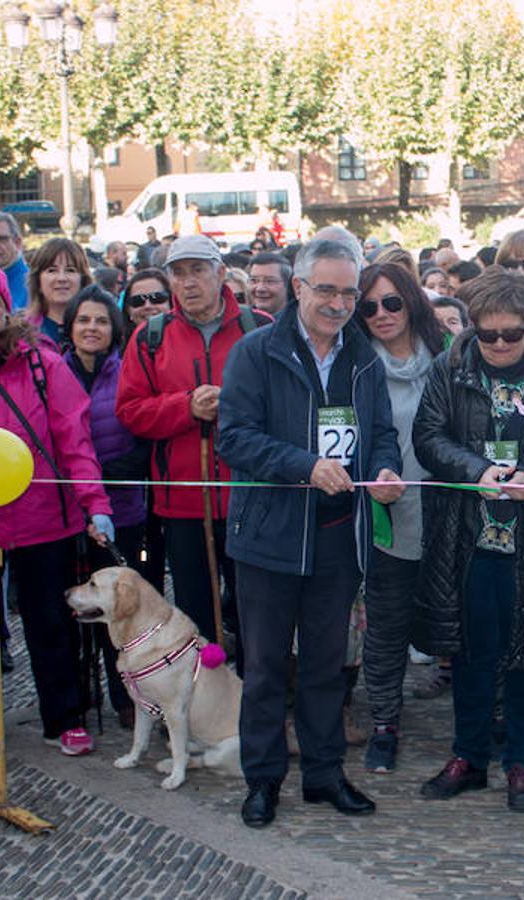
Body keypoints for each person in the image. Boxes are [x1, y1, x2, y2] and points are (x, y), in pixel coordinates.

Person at [217, 235, 403, 828]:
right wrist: (303, 465)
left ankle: (324, 775)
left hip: (338, 536)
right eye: (326, 290)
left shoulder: (365, 357)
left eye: (349, 292)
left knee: (327, 667)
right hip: (269, 538)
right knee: (268, 668)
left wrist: (383, 469)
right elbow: (234, 437)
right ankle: (264, 780)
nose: (339, 304)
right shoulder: (255, 352)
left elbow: (379, 433)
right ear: (298, 287)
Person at [412, 266, 524, 812]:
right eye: (489, 334)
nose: (501, 344)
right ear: (473, 329)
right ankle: (469, 756)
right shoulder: (450, 366)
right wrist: (473, 469)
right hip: (466, 535)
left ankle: (522, 762)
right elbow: (428, 436)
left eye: (513, 333)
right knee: (470, 653)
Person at [0, 262, 115, 771]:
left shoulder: (42, 363)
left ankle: (65, 716)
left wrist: (94, 503)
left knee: (50, 621)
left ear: (5, 305)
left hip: (42, 517)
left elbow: (74, 439)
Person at [116, 235, 266, 642]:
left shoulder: (260, 328)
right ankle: (203, 694)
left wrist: (231, 407)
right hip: (182, 503)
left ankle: (258, 695)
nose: (189, 282)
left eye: (198, 270)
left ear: (220, 274)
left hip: (252, 497)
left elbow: (285, 407)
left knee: (258, 609)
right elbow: (130, 411)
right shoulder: (150, 337)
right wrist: (186, 408)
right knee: (195, 614)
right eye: (179, 273)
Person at [352, 262, 445, 774]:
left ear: (411, 300)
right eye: (368, 306)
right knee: (386, 627)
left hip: (450, 506)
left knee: (459, 618)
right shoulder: (355, 365)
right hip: (387, 510)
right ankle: (385, 723)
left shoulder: (449, 356)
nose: (382, 314)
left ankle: (483, 721)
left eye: (391, 302)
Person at [62, 285, 147, 729]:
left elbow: (144, 440)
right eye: (83, 320)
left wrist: (100, 477)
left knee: (124, 610)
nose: (91, 328)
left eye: (99, 320)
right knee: (75, 610)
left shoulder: (129, 369)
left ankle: (129, 697)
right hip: (67, 515)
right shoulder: (54, 371)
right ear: (70, 326)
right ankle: (77, 698)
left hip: (125, 513)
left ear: (113, 327)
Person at [25, 238, 92, 349]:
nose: (61, 278)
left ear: (83, 280)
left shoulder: (97, 329)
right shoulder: (23, 333)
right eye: (52, 270)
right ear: (38, 280)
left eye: (70, 270)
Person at [119, 268, 173, 345]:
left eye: (157, 298)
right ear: (128, 310)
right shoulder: (116, 351)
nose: (147, 306)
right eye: (138, 300)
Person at [246, 252, 291, 317]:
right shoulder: (241, 321)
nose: (260, 288)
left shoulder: (302, 322)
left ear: (287, 284)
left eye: (270, 281)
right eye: (254, 280)